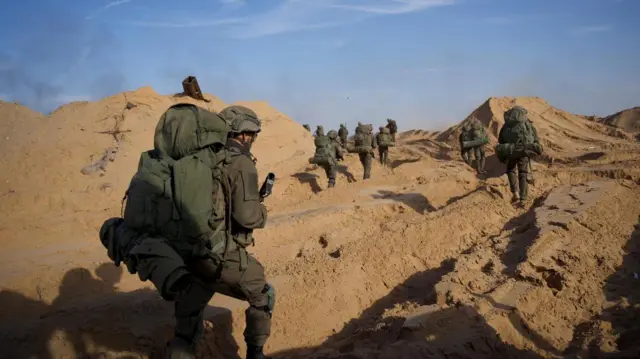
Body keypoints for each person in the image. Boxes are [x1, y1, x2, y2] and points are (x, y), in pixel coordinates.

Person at [99, 104, 274, 359]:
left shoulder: (187, 161)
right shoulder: (238, 162)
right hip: (213, 257)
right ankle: (256, 353)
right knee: (263, 294)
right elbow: (247, 217)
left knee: (187, 327)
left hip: (178, 256)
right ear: (245, 134)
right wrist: (262, 210)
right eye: (253, 135)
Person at [497, 105, 541, 204]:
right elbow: (535, 138)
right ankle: (523, 198)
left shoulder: (507, 125)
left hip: (511, 151)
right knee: (523, 173)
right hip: (523, 151)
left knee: (511, 170)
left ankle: (515, 192)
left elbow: (501, 140)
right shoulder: (527, 124)